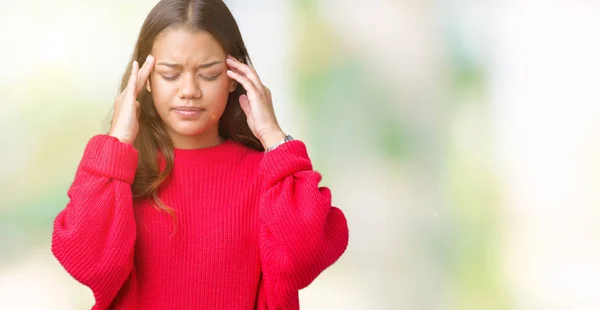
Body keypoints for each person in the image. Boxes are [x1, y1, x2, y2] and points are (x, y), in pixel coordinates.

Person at [50, 0, 349, 309]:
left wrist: (275, 138)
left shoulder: (268, 176)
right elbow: (84, 263)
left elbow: (308, 255)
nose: (189, 90)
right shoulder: (121, 175)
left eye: (208, 74)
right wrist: (117, 142)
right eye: (169, 74)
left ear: (235, 77)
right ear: (146, 80)